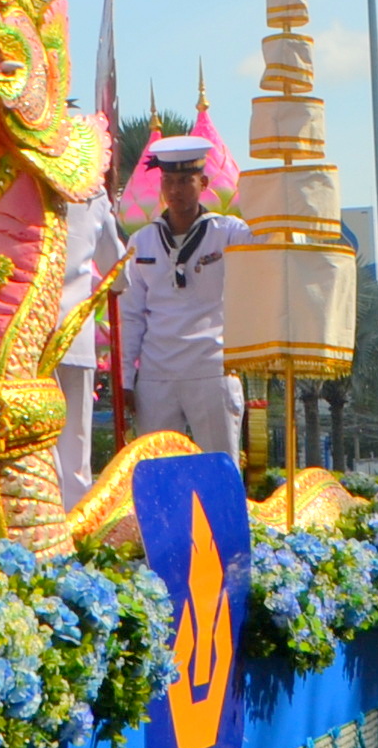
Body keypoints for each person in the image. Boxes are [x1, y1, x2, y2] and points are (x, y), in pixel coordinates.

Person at [119, 137, 251, 458]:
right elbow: (130, 315)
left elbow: (270, 243)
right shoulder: (142, 241)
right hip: (156, 374)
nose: (175, 190)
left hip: (212, 367)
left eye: (184, 181)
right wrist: (125, 379)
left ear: (203, 183)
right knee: (158, 471)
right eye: (168, 181)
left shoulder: (227, 232)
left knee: (219, 466)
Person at [53, 181, 124, 504]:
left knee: (40, 444)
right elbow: (118, 273)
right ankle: (71, 522)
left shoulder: (24, 179)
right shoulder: (91, 191)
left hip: (30, 335)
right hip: (75, 337)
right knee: (75, 451)